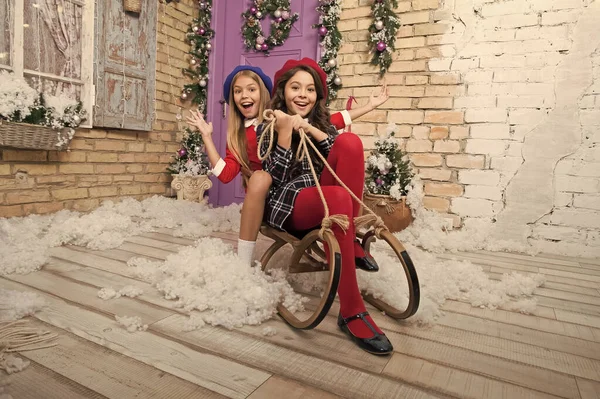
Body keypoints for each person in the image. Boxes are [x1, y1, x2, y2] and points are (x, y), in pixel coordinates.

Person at [188, 65, 389, 270]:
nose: (244, 96)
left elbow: (335, 120)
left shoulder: (283, 117)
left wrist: (369, 106)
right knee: (260, 177)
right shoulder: (241, 137)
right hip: (269, 196)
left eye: (251, 89)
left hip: (301, 191)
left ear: (264, 93)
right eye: (237, 91)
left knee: (334, 151)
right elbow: (224, 173)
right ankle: (242, 262)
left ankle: (346, 237)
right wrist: (207, 137)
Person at [257, 58, 393, 355]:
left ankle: (350, 238)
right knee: (340, 198)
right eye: (295, 87)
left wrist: (309, 128)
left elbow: (341, 149)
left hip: (328, 201)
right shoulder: (267, 123)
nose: (302, 94)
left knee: (351, 143)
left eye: (310, 89)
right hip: (291, 205)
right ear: (283, 90)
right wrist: (284, 130)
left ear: (318, 96)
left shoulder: (321, 122)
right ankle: (352, 310)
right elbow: (273, 177)